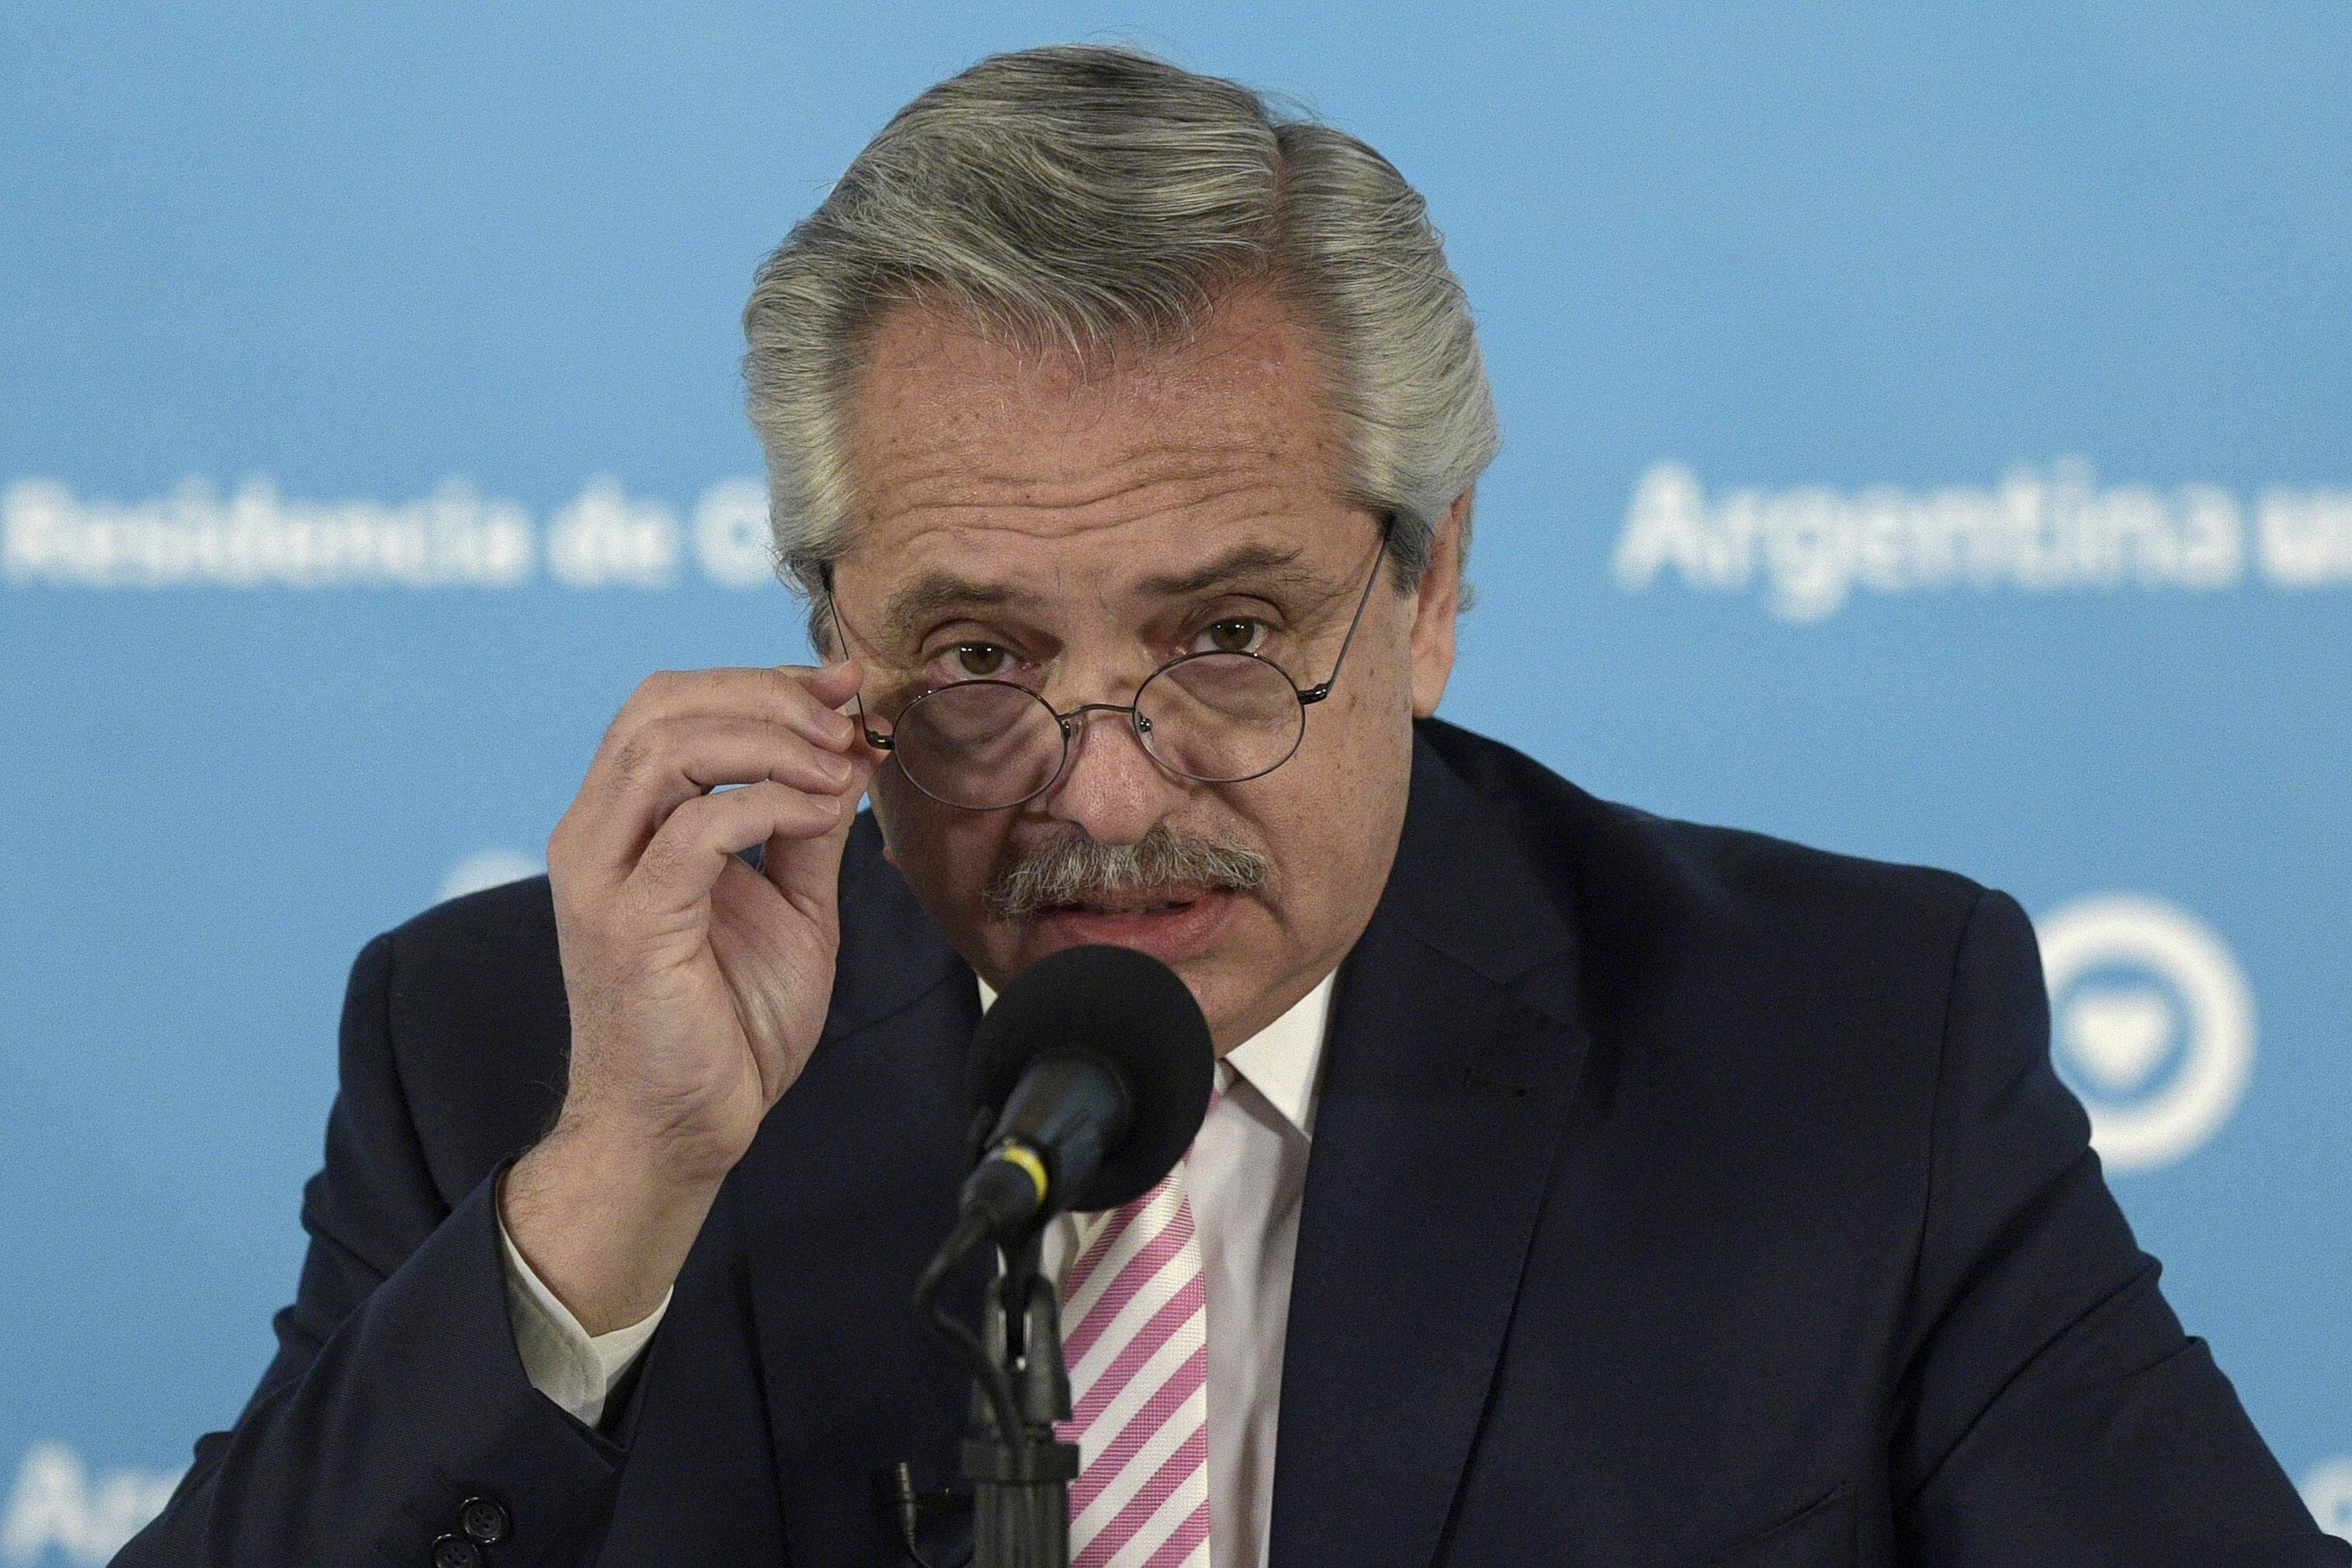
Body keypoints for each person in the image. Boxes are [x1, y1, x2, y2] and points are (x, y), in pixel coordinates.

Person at [119, 44, 2340, 1568]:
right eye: (980, 657)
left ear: (1431, 584)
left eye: (1222, 637)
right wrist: (616, 1191)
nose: (1103, 789)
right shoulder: (524, 1052)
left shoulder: (1847, 1047)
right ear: (832, 627)